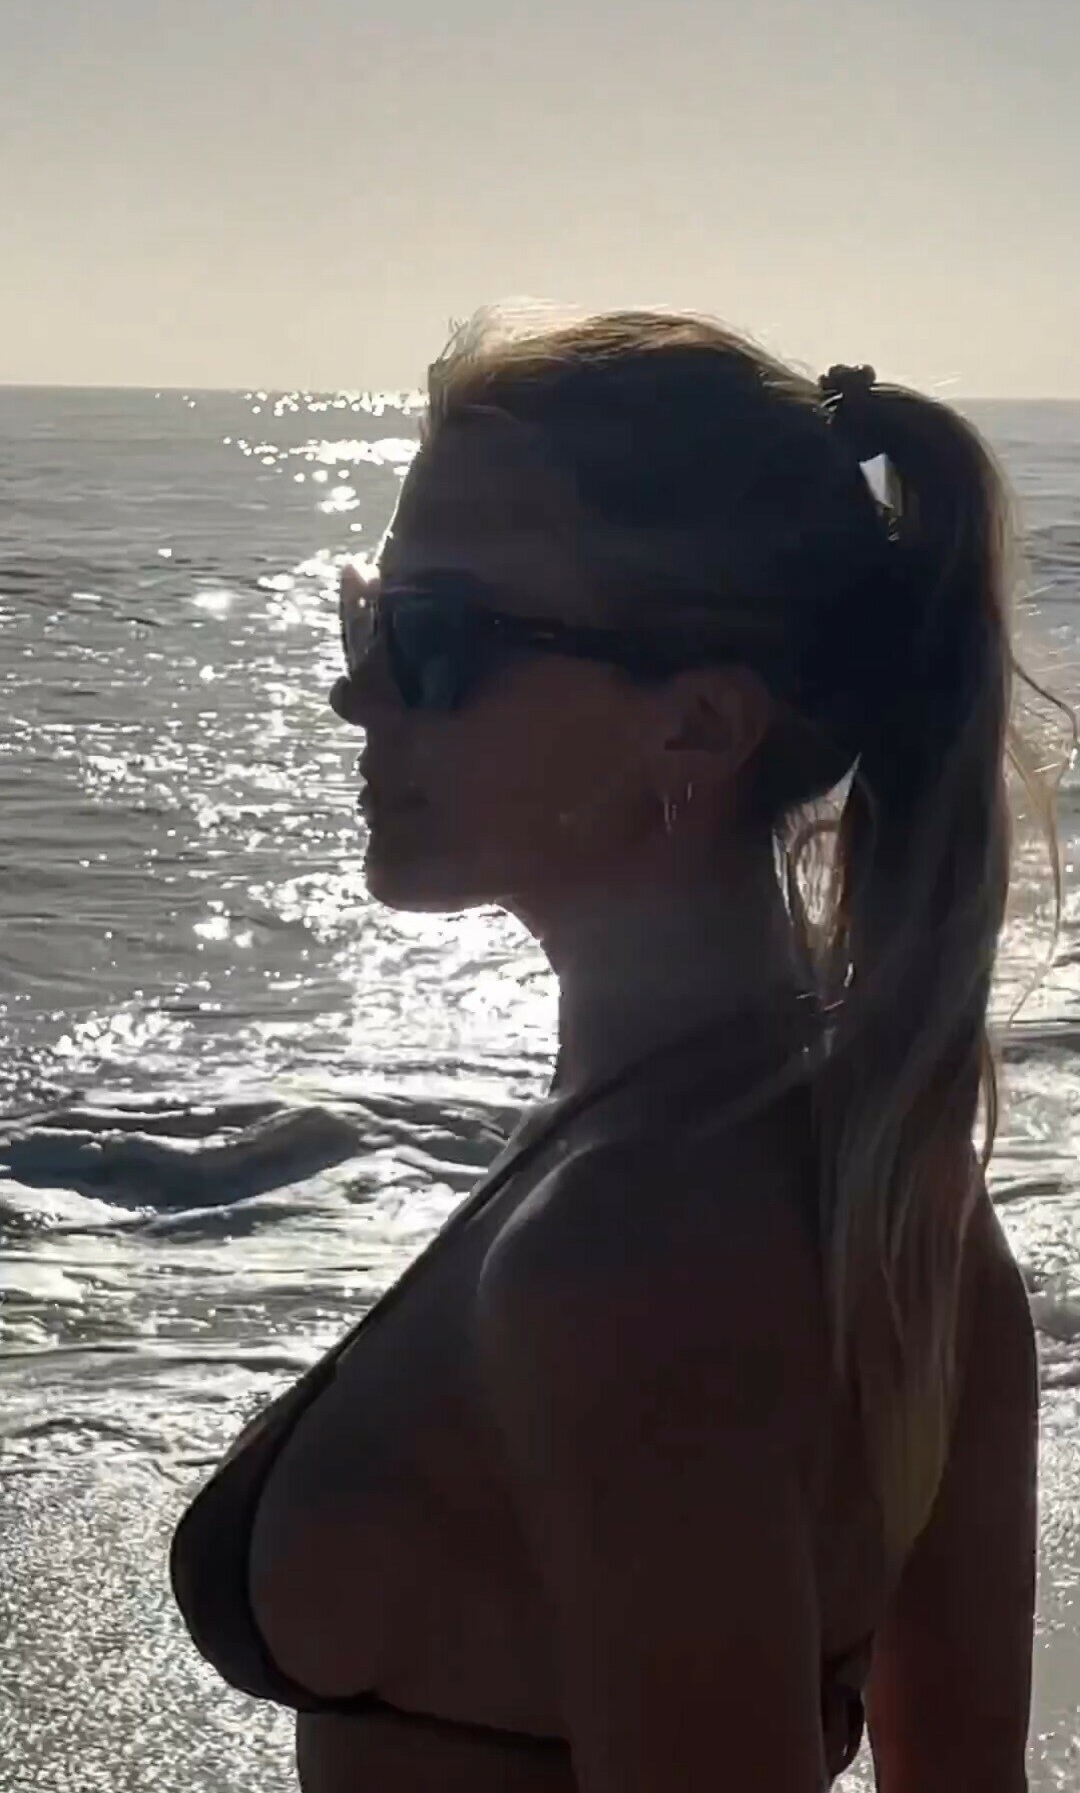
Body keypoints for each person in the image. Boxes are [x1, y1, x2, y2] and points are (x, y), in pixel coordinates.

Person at [171, 305, 1063, 1791]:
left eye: (436, 640)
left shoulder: (632, 1251)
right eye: (367, 617)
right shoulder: (880, 1180)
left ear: (697, 729)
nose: (355, 688)